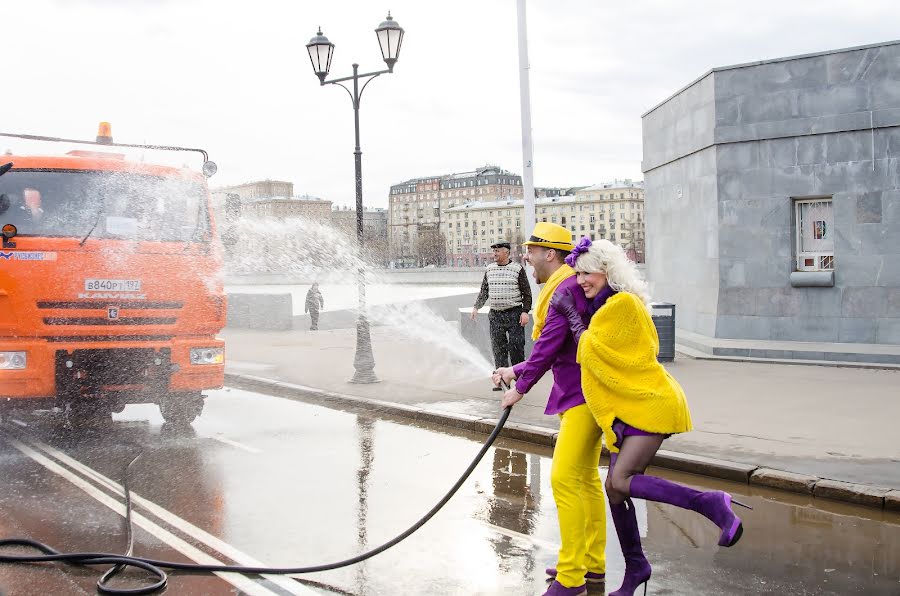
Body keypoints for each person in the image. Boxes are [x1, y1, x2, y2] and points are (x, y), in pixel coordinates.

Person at [555, 237, 750, 596]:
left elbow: (593, 352)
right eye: (578, 274)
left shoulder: (623, 303)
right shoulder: (609, 304)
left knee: (622, 481)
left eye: (588, 273)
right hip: (627, 410)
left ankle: (710, 503)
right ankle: (636, 568)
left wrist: (570, 317)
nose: (581, 281)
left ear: (608, 271)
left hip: (648, 405)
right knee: (613, 490)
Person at [491, 223, 606, 596]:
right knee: (585, 480)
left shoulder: (566, 289)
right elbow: (555, 349)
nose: (527, 257)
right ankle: (591, 562)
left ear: (550, 254)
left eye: (532, 251)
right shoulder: (567, 286)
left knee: (564, 480)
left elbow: (548, 347)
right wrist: (514, 369)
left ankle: (572, 576)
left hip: (581, 397)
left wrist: (519, 388)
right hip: (583, 393)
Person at [472, 241, 532, 390]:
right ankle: (502, 382)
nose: (494, 254)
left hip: (514, 314)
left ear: (506, 253)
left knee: (516, 347)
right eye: (493, 252)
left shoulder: (517, 269)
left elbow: (527, 293)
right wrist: (476, 307)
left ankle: (520, 381)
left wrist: (525, 311)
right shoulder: (489, 269)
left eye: (497, 251)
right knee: (499, 349)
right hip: (495, 315)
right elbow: (484, 291)